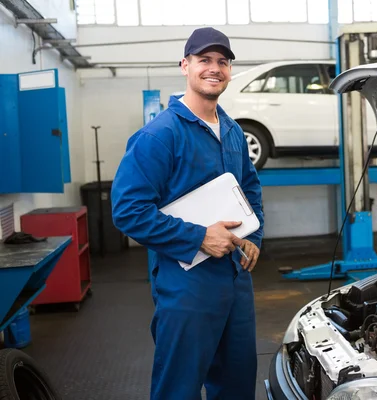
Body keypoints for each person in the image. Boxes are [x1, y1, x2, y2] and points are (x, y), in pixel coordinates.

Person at [111, 27, 264, 400]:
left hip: (234, 277)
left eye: (222, 62)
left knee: (238, 380)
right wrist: (198, 237)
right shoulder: (159, 136)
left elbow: (250, 187)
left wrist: (254, 236)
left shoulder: (230, 130)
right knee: (178, 387)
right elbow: (128, 211)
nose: (214, 68)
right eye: (204, 60)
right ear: (185, 66)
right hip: (186, 284)